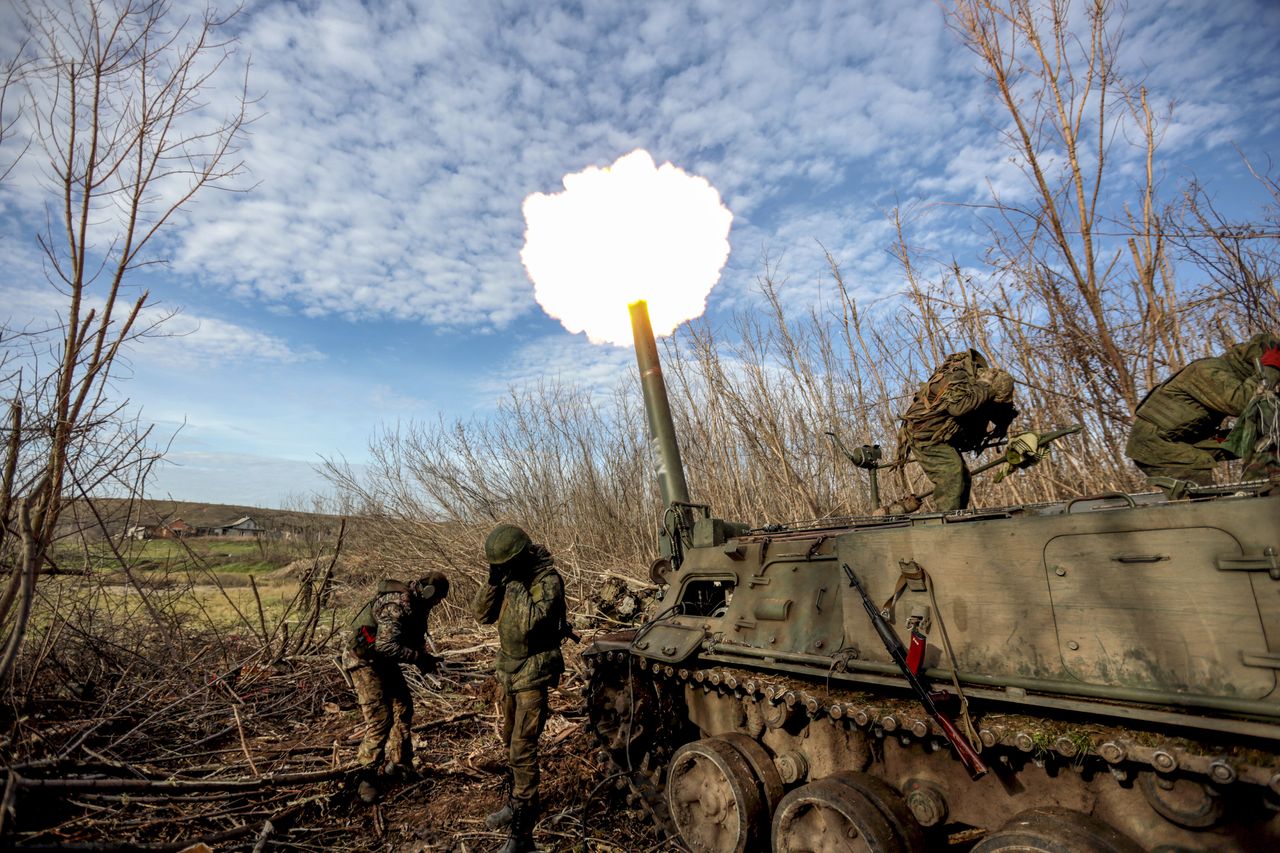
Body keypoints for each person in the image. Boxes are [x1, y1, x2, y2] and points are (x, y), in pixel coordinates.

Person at [472, 524, 567, 853]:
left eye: (508, 565)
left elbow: (526, 628)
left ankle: (523, 836)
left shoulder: (547, 581)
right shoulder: (512, 578)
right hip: (510, 672)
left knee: (523, 750)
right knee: (510, 740)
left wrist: (512, 583)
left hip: (533, 673)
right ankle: (515, 803)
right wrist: (493, 581)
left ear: (522, 556)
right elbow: (481, 614)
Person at [342, 573, 449, 804]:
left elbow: (411, 639)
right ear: (429, 593)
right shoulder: (396, 605)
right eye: (438, 599)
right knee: (381, 719)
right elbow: (385, 645)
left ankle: (399, 763)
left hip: (381, 660)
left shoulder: (417, 605)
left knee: (404, 706)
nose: (438, 604)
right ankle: (365, 776)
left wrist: (426, 659)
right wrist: (417, 657)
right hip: (363, 662)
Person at [1126, 333, 1280, 492]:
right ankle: (1252, 501)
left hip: (1189, 438)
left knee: (1265, 433)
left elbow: (1266, 409)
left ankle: (1263, 489)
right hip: (1156, 445)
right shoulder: (1207, 370)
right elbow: (1242, 403)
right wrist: (1271, 370)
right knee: (1202, 497)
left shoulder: (1233, 376)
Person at [896, 348, 1018, 511]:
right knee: (952, 472)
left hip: (939, 436)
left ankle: (957, 517)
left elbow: (995, 411)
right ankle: (946, 525)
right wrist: (987, 388)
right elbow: (957, 408)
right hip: (924, 435)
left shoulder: (976, 385)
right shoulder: (960, 377)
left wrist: (1010, 423)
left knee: (963, 477)